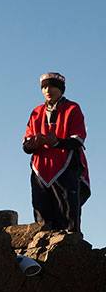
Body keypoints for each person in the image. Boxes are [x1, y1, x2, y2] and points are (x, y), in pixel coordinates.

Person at [22, 72, 90, 232]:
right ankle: (43, 247)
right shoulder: (36, 112)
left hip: (65, 166)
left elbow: (77, 140)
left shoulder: (72, 108)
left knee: (67, 211)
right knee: (41, 212)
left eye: (51, 86)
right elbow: (26, 145)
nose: (47, 90)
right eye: (44, 87)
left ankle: (70, 246)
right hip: (40, 169)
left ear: (60, 89)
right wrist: (34, 142)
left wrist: (56, 141)